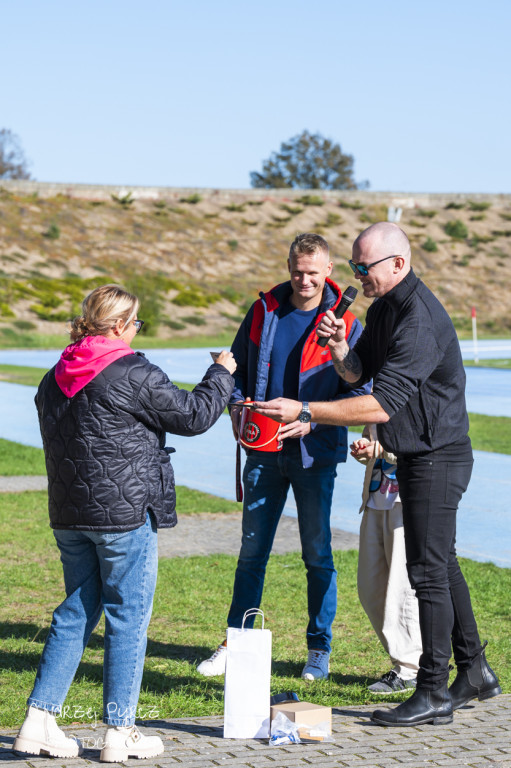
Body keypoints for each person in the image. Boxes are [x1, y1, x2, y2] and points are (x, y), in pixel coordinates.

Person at [251, 222, 501, 725]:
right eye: (354, 267)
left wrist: (306, 410)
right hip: (417, 454)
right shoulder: (385, 307)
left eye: (364, 267)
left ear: (398, 264)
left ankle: (432, 691)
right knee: (441, 563)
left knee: (426, 572)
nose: (358, 276)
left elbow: (380, 405)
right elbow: (358, 375)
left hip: (439, 456)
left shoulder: (418, 320)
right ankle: (474, 671)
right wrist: (342, 348)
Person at [13, 284, 236, 761]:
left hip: (70, 513)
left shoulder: (55, 375)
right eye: (135, 323)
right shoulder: (132, 371)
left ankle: (39, 718)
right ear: (117, 325)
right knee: (128, 618)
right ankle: (120, 730)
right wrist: (220, 372)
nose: (137, 332)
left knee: (76, 611)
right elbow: (194, 416)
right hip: (123, 516)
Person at [196, 232, 370, 681]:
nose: (304, 280)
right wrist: (236, 407)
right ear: (288, 266)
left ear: (329, 270)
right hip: (263, 452)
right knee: (252, 553)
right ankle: (236, 641)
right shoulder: (263, 310)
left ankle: (318, 649)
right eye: (297, 271)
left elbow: (362, 391)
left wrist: (313, 420)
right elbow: (234, 367)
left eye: (313, 273)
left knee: (317, 555)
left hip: (316, 453)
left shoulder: (347, 324)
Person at [351, 424, 422, 694]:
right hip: (374, 499)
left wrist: (378, 449)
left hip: (405, 503)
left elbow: (416, 447)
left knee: (401, 590)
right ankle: (404, 660)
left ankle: (410, 668)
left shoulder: (411, 392)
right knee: (370, 590)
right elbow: (373, 441)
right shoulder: (376, 395)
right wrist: (363, 449)